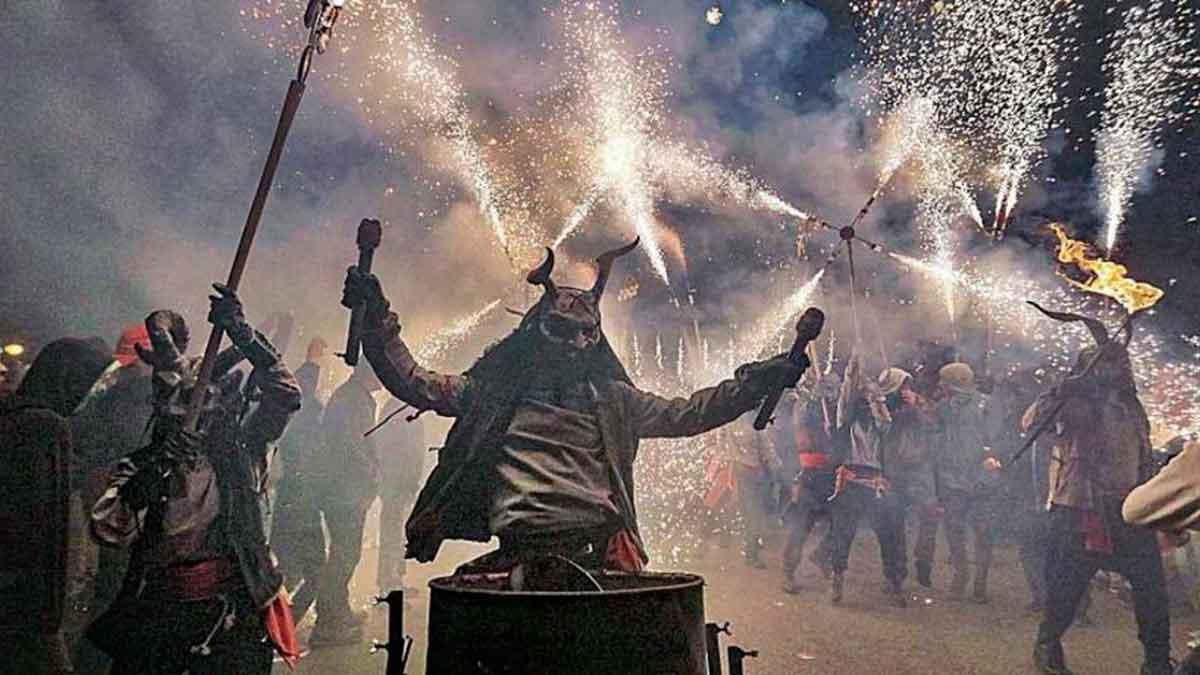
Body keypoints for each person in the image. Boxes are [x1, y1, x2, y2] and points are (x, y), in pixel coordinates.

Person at [343, 240, 809, 578]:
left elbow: (689, 413)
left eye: (584, 333)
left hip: (599, 553)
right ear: (537, 331)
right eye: (561, 330)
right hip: (518, 553)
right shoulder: (491, 393)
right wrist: (375, 316)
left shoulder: (613, 400)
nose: (573, 344)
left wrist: (757, 382)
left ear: (596, 337)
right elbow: (414, 381)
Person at [87, 288, 302, 674]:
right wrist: (149, 480)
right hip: (161, 613)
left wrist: (244, 335)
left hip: (231, 608)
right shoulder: (144, 463)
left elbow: (286, 394)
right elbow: (108, 529)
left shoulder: (242, 451)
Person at [1024, 305, 1171, 675]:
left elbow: (1142, 457)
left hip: (1130, 511)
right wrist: (1059, 392)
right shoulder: (1074, 402)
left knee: (1152, 591)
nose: (1121, 370)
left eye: (1122, 364)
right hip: (1081, 510)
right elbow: (1031, 423)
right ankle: (1047, 645)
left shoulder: (1133, 407)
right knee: (1066, 589)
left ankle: (1156, 661)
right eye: (1112, 364)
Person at [1, 338, 114, 674]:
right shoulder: (47, 429)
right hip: (27, 603)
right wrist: (48, 618)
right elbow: (48, 531)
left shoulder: (15, 417)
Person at [68, 324, 156, 674]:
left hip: (108, 509)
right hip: (129, 511)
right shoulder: (142, 398)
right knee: (121, 597)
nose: (132, 371)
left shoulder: (107, 396)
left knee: (110, 594)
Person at [306, 362, 383, 646]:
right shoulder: (352, 398)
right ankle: (328, 624)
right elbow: (353, 445)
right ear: (369, 371)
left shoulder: (351, 395)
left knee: (344, 553)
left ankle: (338, 612)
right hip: (344, 490)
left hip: (341, 488)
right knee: (344, 555)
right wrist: (372, 475)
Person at [826, 354, 908, 608]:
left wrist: (875, 397)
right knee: (842, 535)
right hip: (850, 483)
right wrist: (854, 364)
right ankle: (837, 580)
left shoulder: (883, 421)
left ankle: (894, 582)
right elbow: (846, 395)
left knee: (890, 536)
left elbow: (884, 420)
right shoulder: (846, 420)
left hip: (876, 485)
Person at [930, 362, 1002, 602]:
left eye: (944, 381)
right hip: (953, 480)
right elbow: (936, 438)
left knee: (983, 533)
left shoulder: (986, 405)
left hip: (982, 479)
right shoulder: (943, 408)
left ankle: (980, 583)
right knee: (954, 530)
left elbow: (998, 438)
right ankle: (961, 573)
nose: (940, 385)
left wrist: (992, 457)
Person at [270, 340, 328, 626]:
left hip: (296, 502)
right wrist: (312, 362)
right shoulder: (300, 419)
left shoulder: (297, 422)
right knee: (309, 572)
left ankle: (276, 626)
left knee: (293, 572)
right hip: (299, 505)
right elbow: (301, 393)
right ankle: (280, 626)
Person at [781, 375, 839, 593]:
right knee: (801, 527)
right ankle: (789, 571)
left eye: (835, 388)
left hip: (832, 475)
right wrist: (817, 417)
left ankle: (822, 555)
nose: (832, 393)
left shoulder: (838, 410)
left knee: (841, 522)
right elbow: (801, 435)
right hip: (809, 475)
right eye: (828, 388)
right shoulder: (808, 407)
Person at [376, 403, 428, 596]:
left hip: (401, 484)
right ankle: (388, 584)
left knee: (397, 533)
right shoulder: (395, 411)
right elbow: (396, 450)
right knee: (392, 533)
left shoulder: (398, 410)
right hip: (396, 484)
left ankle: (394, 580)